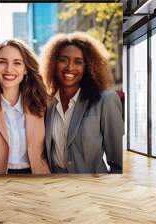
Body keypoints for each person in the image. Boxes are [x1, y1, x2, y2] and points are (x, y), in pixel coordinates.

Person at [40, 32, 124, 174]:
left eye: (78, 61)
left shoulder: (106, 101)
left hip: (92, 189)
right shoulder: (47, 104)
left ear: (88, 66)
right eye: (63, 60)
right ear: (53, 63)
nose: (70, 67)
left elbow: (118, 163)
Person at [0, 39, 50, 174]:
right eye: (2, 62)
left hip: (37, 180)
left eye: (17, 63)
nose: (8, 69)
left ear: (25, 69)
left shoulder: (42, 104)